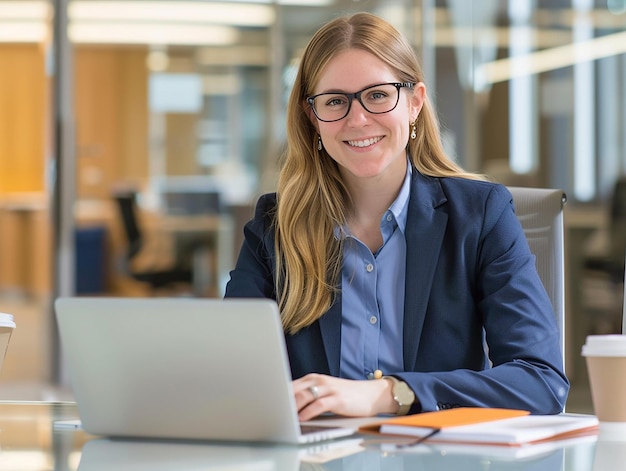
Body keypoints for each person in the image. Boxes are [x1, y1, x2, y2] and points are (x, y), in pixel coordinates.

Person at [225, 12, 569, 420]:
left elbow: (541, 381)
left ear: (414, 103)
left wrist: (391, 394)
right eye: (335, 101)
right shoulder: (275, 226)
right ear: (311, 118)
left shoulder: (480, 216)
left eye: (377, 95)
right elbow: (229, 373)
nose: (357, 119)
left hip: (439, 458)